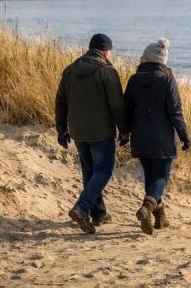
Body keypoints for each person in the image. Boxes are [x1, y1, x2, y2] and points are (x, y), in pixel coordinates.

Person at [54, 33, 129, 234]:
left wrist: (61, 129)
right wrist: (124, 130)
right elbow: (117, 105)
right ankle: (82, 207)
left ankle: (98, 213)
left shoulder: (70, 70)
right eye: (110, 51)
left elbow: (60, 101)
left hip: (78, 132)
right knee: (103, 171)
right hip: (101, 132)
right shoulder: (107, 71)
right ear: (106, 51)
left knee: (90, 172)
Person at [123, 38, 191, 235]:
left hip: (140, 135)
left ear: (149, 58)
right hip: (162, 138)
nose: (140, 58)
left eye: (143, 56)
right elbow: (175, 112)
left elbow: (126, 109)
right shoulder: (166, 80)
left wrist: (125, 133)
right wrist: (185, 135)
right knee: (161, 176)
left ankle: (160, 218)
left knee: (151, 176)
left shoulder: (134, 80)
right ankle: (146, 208)